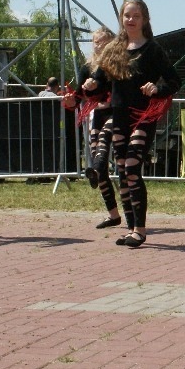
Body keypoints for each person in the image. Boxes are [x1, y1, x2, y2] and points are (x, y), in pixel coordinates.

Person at [83, 0, 182, 248]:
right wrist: (92, 85)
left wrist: (156, 88)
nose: (130, 19)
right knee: (122, 172)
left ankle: (140, 229)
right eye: (127, 15)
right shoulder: (114, 48)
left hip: (144, 115)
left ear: (145, 19)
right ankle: (130, 228)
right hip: (119, 116)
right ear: (121, 18)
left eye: (135, 15)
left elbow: (173, 80)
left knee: (131, 166)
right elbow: (101, 81)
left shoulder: (153, 50)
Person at [64, 26, 121, 229]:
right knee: (98, 153)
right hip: (96, 113)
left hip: (116, 112)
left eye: (104, 42)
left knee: (104, 140)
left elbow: (116, 88)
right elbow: (79, 94)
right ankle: (113, 214)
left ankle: (95, 170)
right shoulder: (86, 68)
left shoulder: (117, 66)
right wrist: (71, 99)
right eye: (96, 42)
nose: (99, 46)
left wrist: (97, 86)